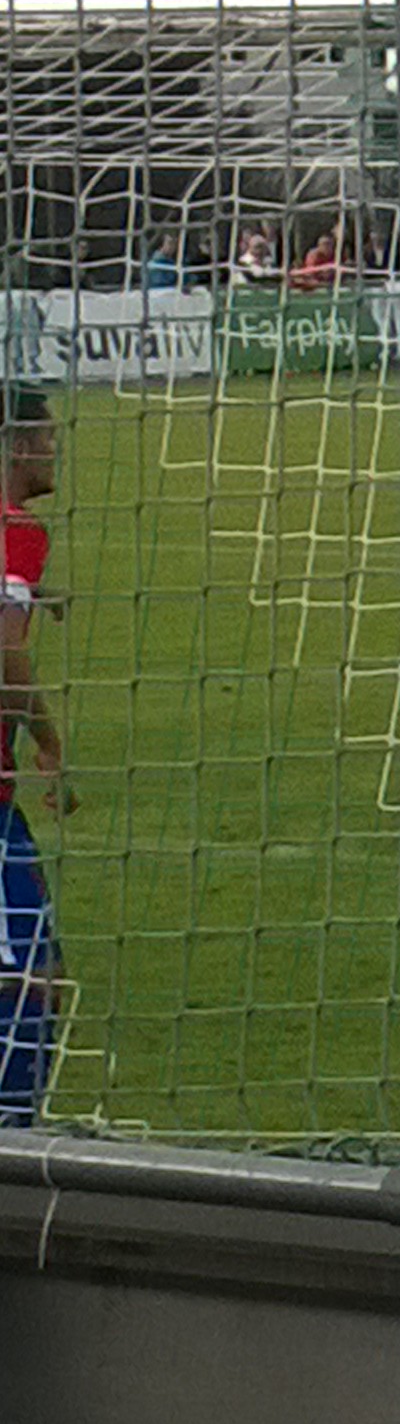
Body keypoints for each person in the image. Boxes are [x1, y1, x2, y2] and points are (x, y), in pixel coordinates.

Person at [0, 391, 70, 1127]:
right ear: (20, 448)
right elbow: (4, 655)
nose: (55, 452)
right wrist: (49, 740)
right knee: (32, 977)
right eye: (48, 440)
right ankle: (13, 1138)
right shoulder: (18, 531)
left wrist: (33, 591)